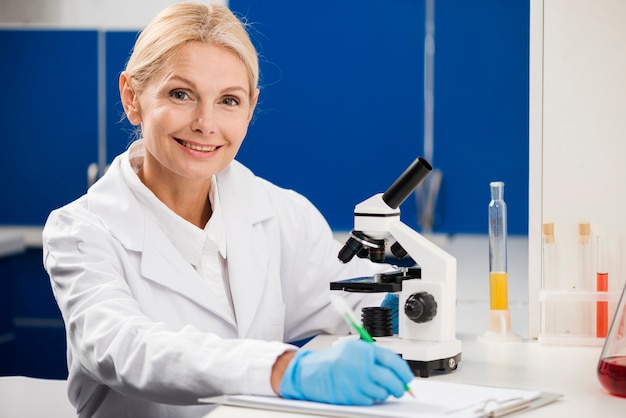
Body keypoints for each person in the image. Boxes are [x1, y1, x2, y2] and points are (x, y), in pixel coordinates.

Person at [42, 2, 413, 417]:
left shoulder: (280, 213)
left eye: (229, 100)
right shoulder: (81, 230)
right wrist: (283, 369)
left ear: (251, 107)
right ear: (132, 98)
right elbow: (123, 347)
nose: (206, 122)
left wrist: (411, 307)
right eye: (180, 94)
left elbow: (357, 299)